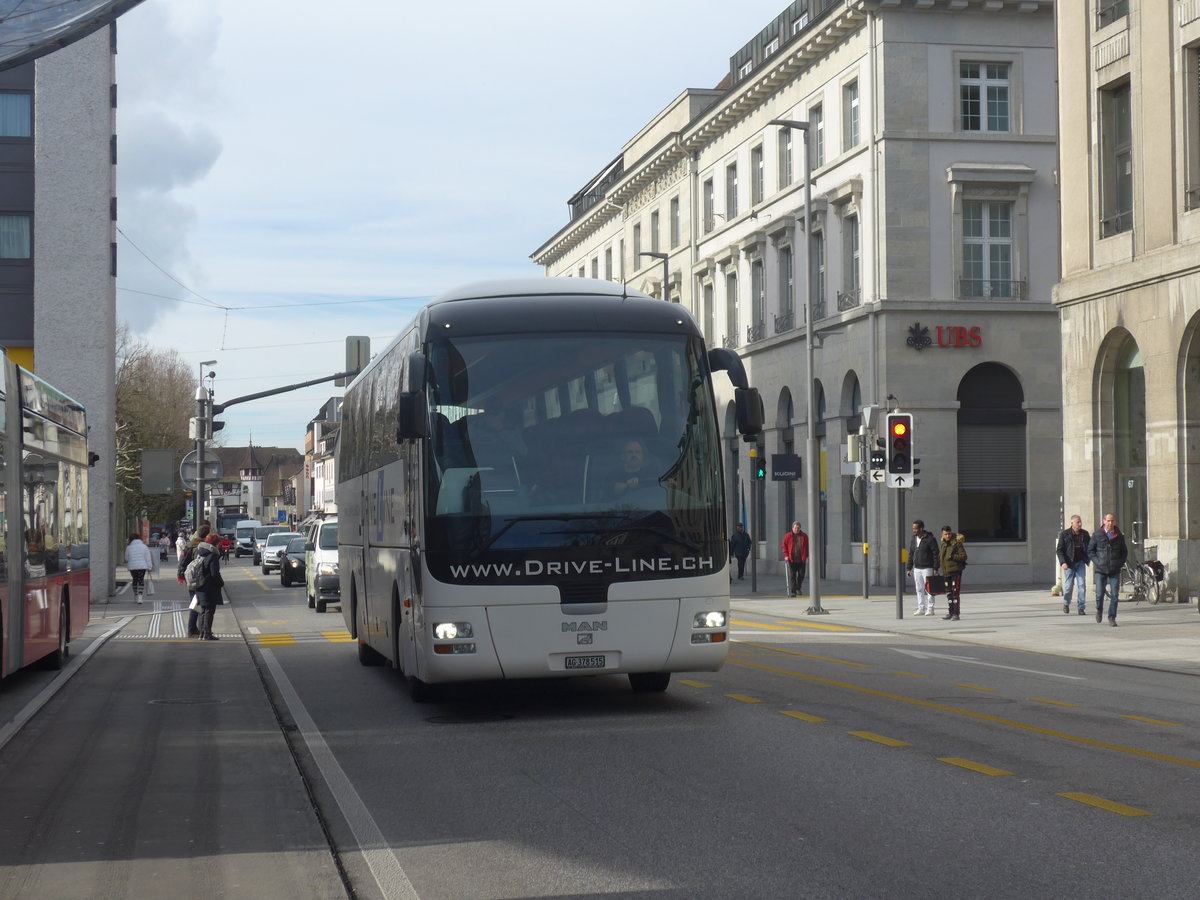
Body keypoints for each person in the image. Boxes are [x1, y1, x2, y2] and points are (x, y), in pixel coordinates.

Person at [1088, 512, 1127, 626]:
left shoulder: (1119, 535)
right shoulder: (1097, 534)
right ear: (1104, 521)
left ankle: (1112, 617)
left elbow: (1124, 552)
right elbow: (1090, 551)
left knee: (1115, 595)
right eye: (1108, 521)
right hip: (1101, 569)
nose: (1110, 523)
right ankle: (1099, 609)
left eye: (1112, 521)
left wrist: (1120, 563)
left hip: (1114, 569)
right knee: (1099, 594)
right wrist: (1097, 562)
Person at [179, 523, 212, 637]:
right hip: (196, 579)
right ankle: (192, 629)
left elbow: (182, 561)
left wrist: (180, 575)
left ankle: (195, 628)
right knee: (196, 604)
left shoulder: (191, 543)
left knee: (195, 604)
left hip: (190, 578)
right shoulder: (199, 547)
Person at [1056, 515, 1091, 615]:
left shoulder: (1085, 534)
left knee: (1081, 585)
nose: (1080, 524)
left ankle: (1081, 607)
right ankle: (1066, 603)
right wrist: (1063, 562)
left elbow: (1090, 547)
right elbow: (1059, 550)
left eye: (1080, 522)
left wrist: (1089, 558)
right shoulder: (1065, 534)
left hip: (1080, 562)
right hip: (1069, 563)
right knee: (1068, 587)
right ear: (1072, 523)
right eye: (1077, 522)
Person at [194, 533, 226, 641]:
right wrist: (221, 583)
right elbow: (214, 573)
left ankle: (202, 633)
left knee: (202, 610)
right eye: (219, 542)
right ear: (215, 543)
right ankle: (207, 633)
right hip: (209, 586)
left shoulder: (200, 552)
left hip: (199, 584)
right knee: (209, 610)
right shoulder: (212, 555)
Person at [907, 520, 940, 616]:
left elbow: (935, 553)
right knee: (919, 588)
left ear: (921, 528)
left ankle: (930, 608)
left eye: (916, 529)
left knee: (929, 589)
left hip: (928, 568)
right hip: (917, 568)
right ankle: (921, 608)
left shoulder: (930, 539)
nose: (914, 531)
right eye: (913, 528)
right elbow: (911, 553)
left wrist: (936, 568)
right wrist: (909, 568)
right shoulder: (913, 539)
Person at [939, 526, 968, 620]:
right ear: (942, 535)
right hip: (946, 572)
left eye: (949, 534)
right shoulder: (943, 543)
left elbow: (964, 556)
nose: (947, 536)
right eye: (945, 534)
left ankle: (956, 613)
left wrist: (953, 556)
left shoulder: (956, 543)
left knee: (955, 592)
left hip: (955, 571)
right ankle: (950, 612)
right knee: (949, 593)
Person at [124, 534, 154, 604]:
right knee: (140, 580)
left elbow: (126, 558)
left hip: (132, 567)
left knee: (135, 579)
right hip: (142, 566)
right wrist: (149, 567)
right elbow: (148, 558)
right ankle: (140, 597)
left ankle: (135, 595)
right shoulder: (144, 547)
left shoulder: (129, 547)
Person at [781, 521, 808, 598]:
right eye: (795, 528)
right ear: (792, 528)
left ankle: (798, 588)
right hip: (791, 559)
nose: (797, 529)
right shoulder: (788, 536)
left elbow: (807, 547)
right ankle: (793, 591)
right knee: (792, 576)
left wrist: (807, 556)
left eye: (798, 528)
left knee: (801, 575)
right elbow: (783, 546)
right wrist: (786, 555)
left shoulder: (804, 536)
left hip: (801, 559)